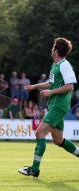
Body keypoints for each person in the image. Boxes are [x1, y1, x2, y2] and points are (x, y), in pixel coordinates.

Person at [18, 37, 78, 177]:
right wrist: (35, 86)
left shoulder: (64, 65)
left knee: (39, 133)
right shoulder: (56, 65)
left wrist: (51, 92)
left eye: (53, 47)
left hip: (58, 106)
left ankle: (34, 169)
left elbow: (70, 87)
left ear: (56, 51)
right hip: (55, 106)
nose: (51, 49)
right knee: (58, 140)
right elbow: (51, 83)